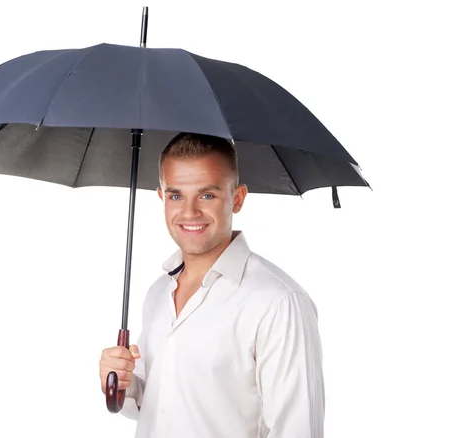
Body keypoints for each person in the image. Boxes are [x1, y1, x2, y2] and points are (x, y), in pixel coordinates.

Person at [99, 132, 325, 437]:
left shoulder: (278, 302)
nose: (189, 212)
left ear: (238, 198)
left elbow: (297, 429)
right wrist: (122, 383)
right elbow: (156, 400)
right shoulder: (158, 292)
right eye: (176, 195)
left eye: (207, 195)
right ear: (161, 197)